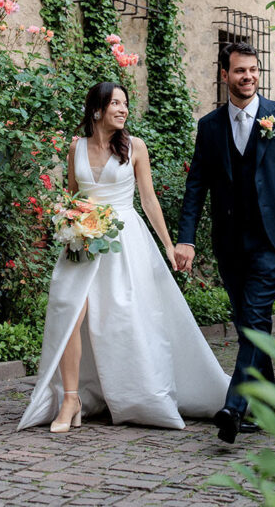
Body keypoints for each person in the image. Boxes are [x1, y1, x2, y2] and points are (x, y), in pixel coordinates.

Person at [17, 82, 229, 433]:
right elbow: (74, 196)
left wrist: (167, 244)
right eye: (116, 103)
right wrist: (68, 223)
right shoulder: (76, 148)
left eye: (126, 104)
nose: (123, 109)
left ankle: (136, 394)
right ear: (97, 109)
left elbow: (148, 200)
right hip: (82, 242)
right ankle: (71, 399)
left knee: (124, 315)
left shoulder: (135, 147)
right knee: (70, 310)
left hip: (124, 239)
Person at [174, 42, 275, 444]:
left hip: (273, 239)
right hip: (229, 242)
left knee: (255, 316)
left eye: (254, 70)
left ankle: (234, 408)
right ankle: (264, 406)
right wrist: (185, 239)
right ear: (225, 76)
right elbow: (196, 188)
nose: (249, 77)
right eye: (240, 71)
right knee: (249, 324)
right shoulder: (210, 126)